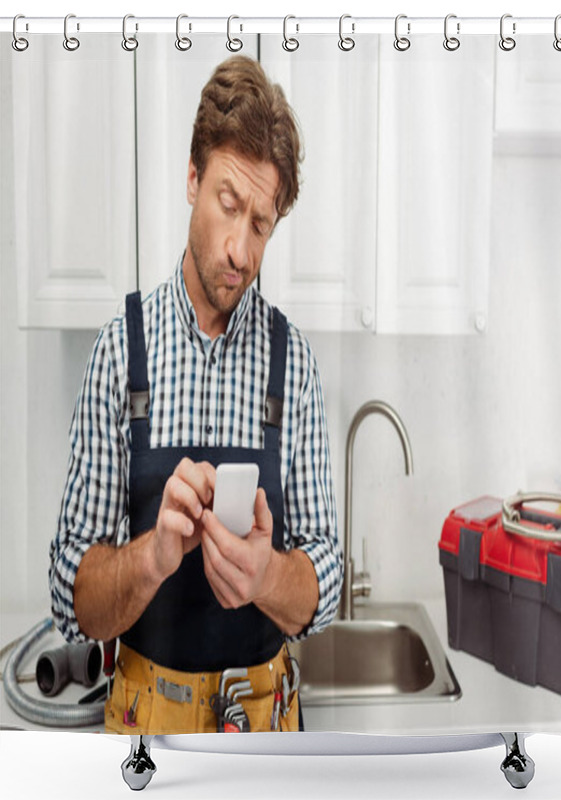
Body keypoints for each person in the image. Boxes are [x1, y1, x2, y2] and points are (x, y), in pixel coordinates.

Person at [48, 55, 342, 734]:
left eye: (261, 224)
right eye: (228, 205)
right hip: (146, 721)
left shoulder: (291, 363)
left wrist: (266, 575)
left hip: (266, 720)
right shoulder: (121, 352)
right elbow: (73, 600)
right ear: (192, 179)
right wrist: (150, 558)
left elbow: (323, 582)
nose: (239, 249)